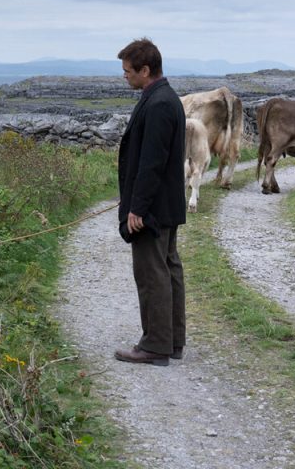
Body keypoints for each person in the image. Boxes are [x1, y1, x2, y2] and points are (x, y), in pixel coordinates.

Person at [114, 38, 187, 367]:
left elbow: (152, 162)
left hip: (153, 209)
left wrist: (137, 208)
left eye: (128, 71)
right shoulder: (166, 97)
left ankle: (156, 345)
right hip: (166, 205)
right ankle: (172, 340)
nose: (125, 76)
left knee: (152, 273)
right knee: (168, 270)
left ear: (146, 70)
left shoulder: (158, 104)